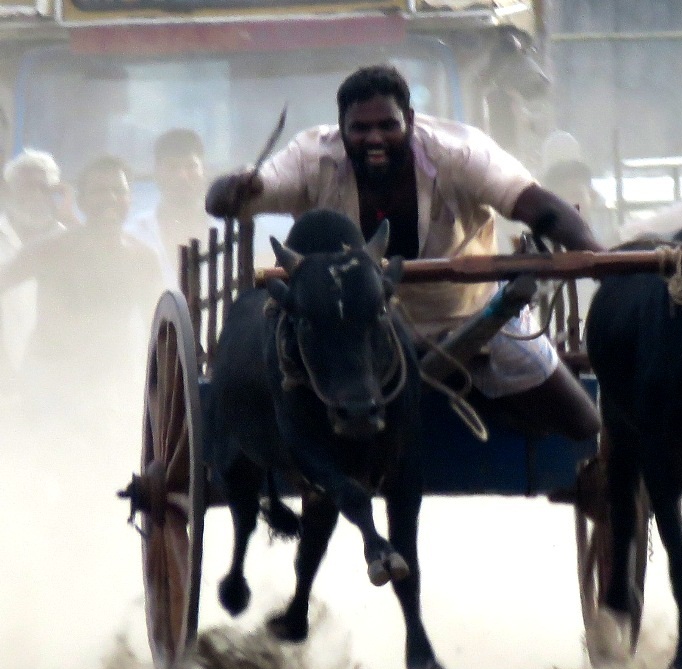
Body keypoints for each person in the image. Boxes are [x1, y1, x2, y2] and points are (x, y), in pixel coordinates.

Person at [206, 64, 602, 440]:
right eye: (360, 129)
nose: (374, 138)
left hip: (475, 318)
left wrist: (600, 259)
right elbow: (246, 194)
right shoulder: (311, 158)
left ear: (410, 121)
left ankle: (491, 406)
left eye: (387, 125)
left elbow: (541, 207)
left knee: (583, 422)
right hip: (351, 335)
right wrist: (229, 191)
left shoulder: (460, 153)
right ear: (341, 131)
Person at [0, 154, 164, 390]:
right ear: (82, 200)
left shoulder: (142, 258)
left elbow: (159, 328)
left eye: (118, 191)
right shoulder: (51, 249)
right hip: (49, 385)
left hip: (114, 386)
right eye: (99, 191)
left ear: (130, 199)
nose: (109, 198)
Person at [0, 149, 73, 382]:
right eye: (25, 188)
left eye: (42, 188)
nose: (34, 196)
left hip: (55, 376)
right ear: (9, 192)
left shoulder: (69, 241)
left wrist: (70, 219)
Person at [127, 128, 213, 285]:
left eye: (191, 166)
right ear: (157, 173)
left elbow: (262, 280)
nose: (182, 176)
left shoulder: (231, 227)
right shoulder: (134, 234)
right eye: (173, 167)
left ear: (204, 171)